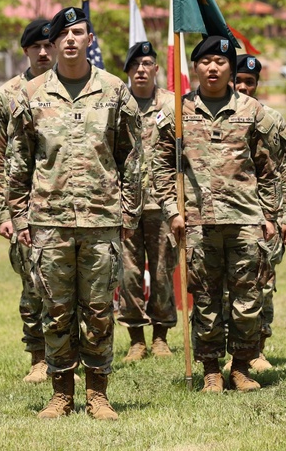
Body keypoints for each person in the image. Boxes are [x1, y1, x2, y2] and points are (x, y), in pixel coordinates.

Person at [7, 6, 142, 420]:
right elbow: (19, 162)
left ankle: (98, 393)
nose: (69, 40)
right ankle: (61, 392)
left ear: (89, 40)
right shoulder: (30, 96)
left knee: (100, 309)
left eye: (78, 32)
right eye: (62, 34)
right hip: (49, 221)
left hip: (102, 220)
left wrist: (129, 215)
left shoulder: (115, 91)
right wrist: (19, 217)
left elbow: (132, 158)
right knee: (56, 310)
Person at [152, 35, 278, 394]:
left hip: (245, 221)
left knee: (247, 299)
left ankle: (240, 367)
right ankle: (210, 370)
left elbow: (268, 168)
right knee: (205, 300)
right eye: (205, 62)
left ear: (231, 68)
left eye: (220, 62)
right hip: (197, 222)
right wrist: (172, 211)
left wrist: (269, 215)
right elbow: (161, 166)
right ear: (195, 68)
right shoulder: (178, 111)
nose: (213, 67)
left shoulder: (252, 111)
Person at [0, 18, 56, 384]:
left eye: (49, 45)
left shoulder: (75, 88)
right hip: (24, 207)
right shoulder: (7, 95)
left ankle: (69, 358)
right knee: (32, 285)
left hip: (65, 204)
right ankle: (39, 357)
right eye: (36, 47)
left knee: (69, 287)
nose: (44, 53)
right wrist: (5, 212)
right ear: (26, 50)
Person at [233, 54, 286, 372]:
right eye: (238, 81)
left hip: (265, 217)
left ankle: (256, 348)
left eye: (249, 82)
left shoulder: (271, 120)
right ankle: (228, 350)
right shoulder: (215, 118)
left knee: (262, 283)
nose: (243, 87)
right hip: (227, 214)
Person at [118, 41, 177, 362]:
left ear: (156, 69)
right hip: (123, 205)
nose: (141, 69)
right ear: (127, 71)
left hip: (161, 203)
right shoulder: (116, 103)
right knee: (127, 274)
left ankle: (161, 337)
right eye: (135, 65)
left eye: (147, 64)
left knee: (163, 271)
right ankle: (136, 339)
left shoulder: (172, 105)